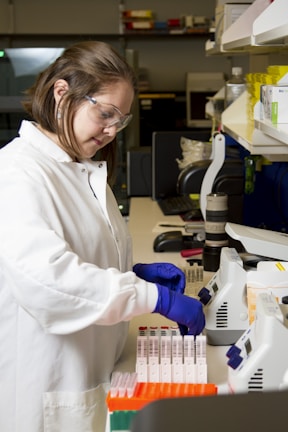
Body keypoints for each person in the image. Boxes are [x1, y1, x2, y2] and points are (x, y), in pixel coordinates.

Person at [0, 40, 205, 432]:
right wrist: (151, 297)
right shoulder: (16, 173)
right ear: (62, 94)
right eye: (106, 114)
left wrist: (132, 274)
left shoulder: (82, 170)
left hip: (92, 372)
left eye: (121, 120)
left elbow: (82, 257)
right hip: (47, 387)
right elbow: (48, 281)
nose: (112, 130)